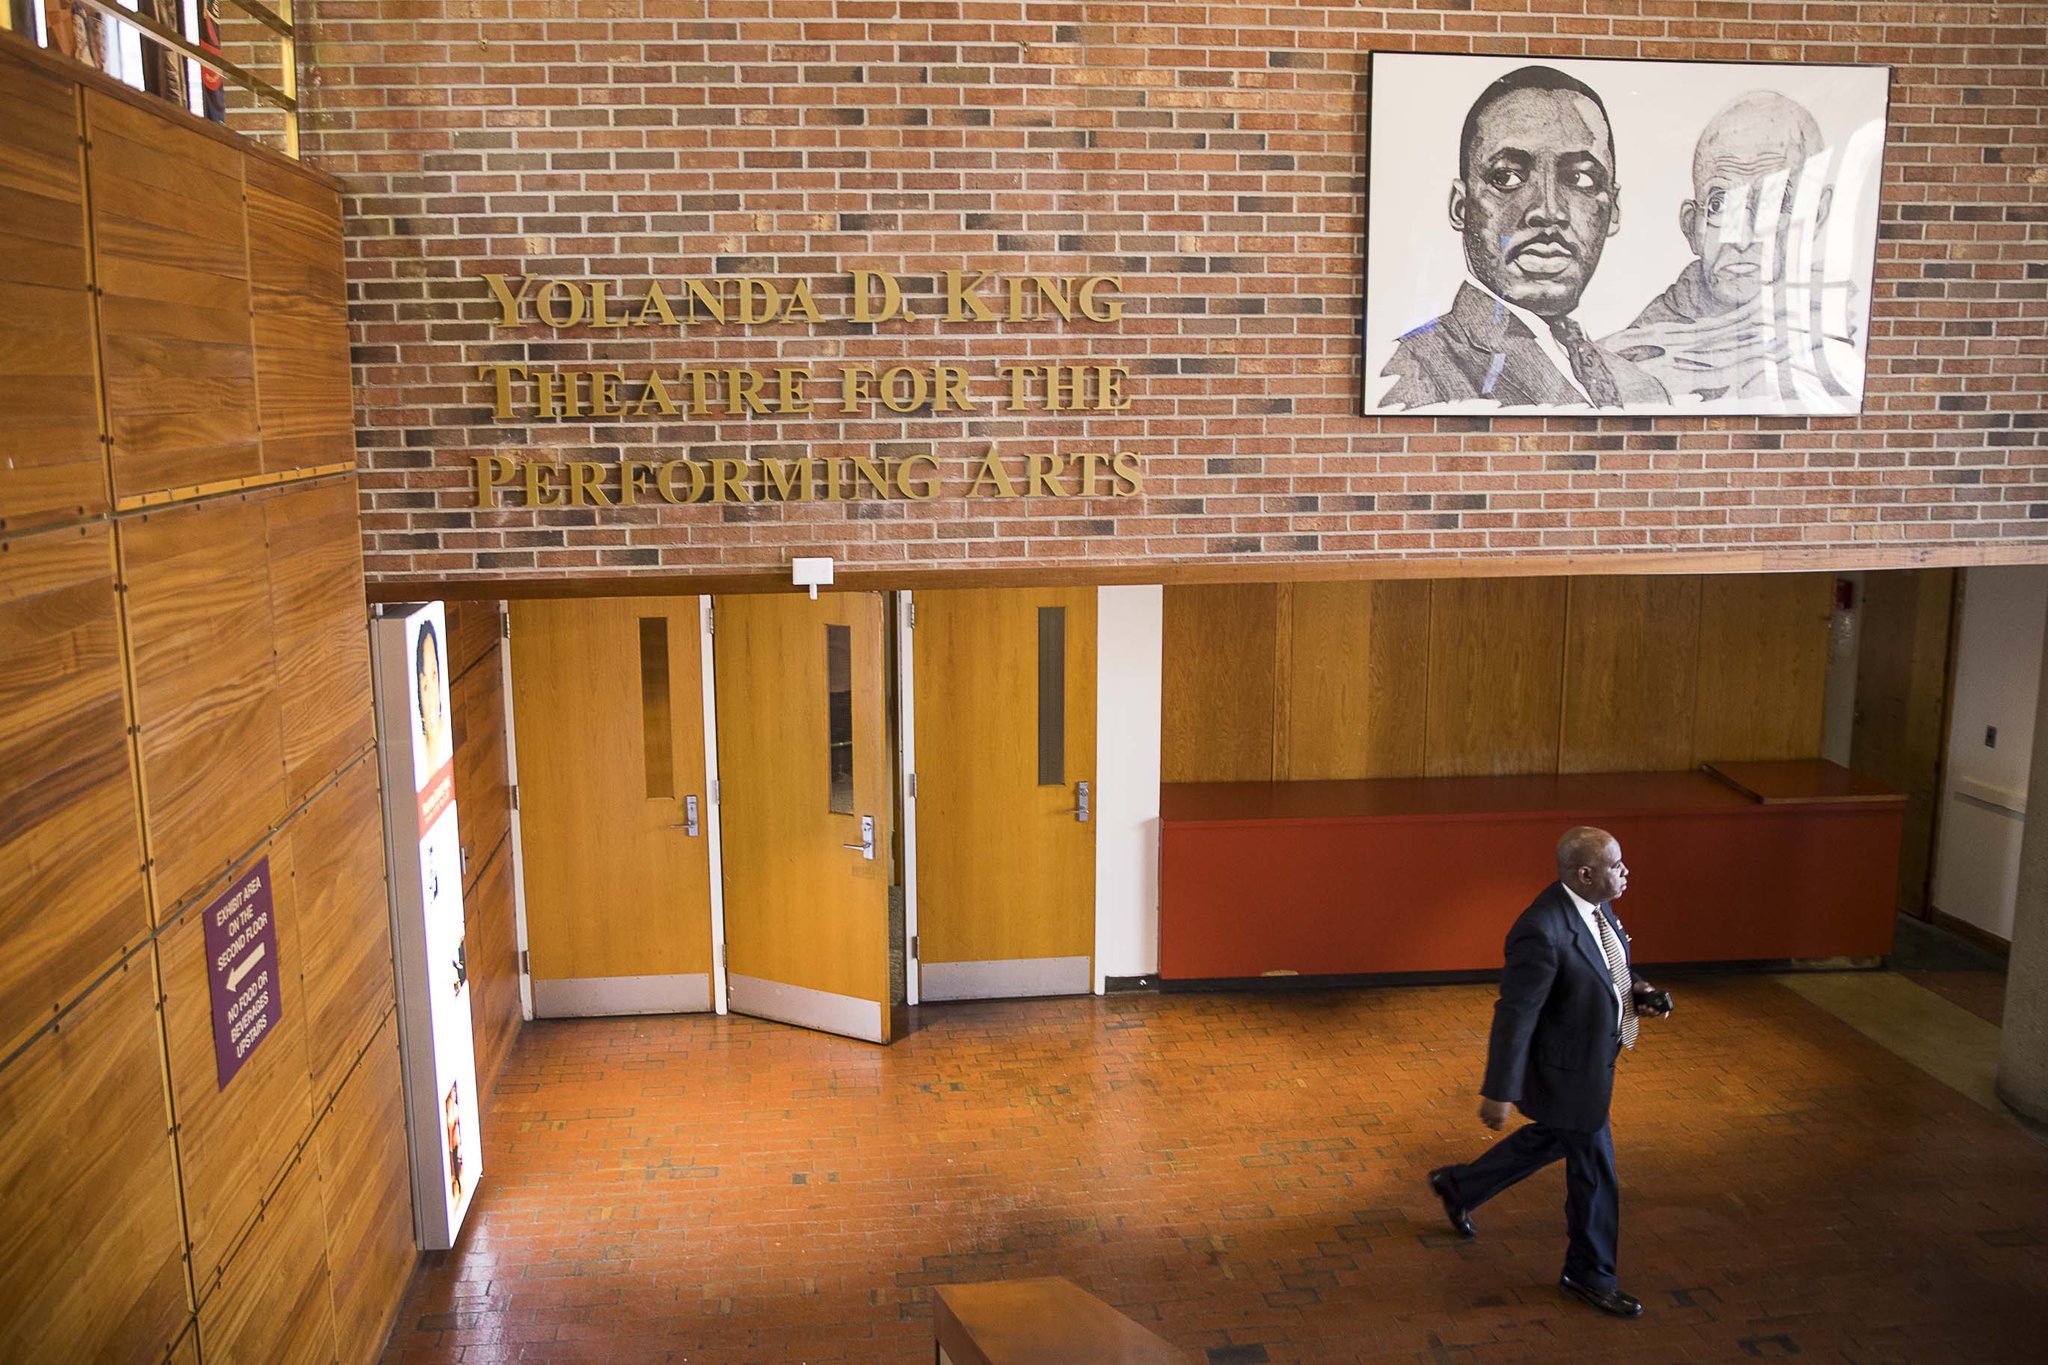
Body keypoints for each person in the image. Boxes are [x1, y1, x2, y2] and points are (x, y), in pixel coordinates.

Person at [1426, 826, 1674, 1317]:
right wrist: (1500, 1091)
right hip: (1568, 1074)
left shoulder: (1596, 908)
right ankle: (1588, 1275)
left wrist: (1641, 991)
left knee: (1553, 1139)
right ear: (1584, 874)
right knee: (1596, 1174)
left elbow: (1612, 965)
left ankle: (1460, 1186)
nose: (1625, 872)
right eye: (1615, 866)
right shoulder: (1541, 930)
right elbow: (1515, 1014)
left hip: (1591, 1063)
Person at [1378, 65, 1667, 410]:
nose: (1548, 211)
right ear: (1460, 206)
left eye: (1580, 179)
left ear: (1614, 209)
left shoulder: (1643, 390)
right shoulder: (1411, 373)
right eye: (1507, 178)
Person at [1603, 91, 1859, 404]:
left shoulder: (1831, 330)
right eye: (1719, 204)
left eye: (1773, 203)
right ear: (1690, 226)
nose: (1740, 237)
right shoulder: (1632, 354)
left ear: (1815, 216)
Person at [414, 619, 453, 782]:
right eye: (424, 685)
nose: (431, 694)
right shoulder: (417, 752)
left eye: (434, 673)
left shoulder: (446, 742)